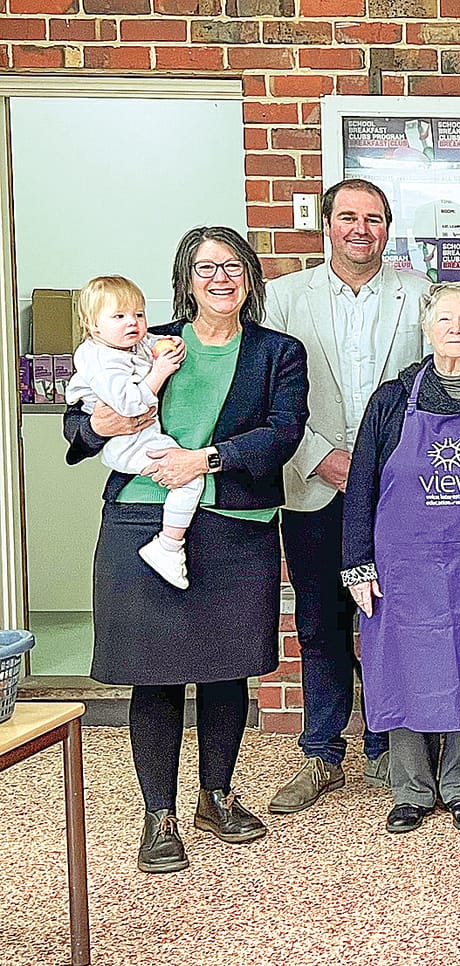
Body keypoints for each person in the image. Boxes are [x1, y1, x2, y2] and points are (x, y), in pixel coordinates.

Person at [64, 226, 306, 873]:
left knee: (227, 668)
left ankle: (217, 797)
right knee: (155, 671)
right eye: (206, 268)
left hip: (233, 518)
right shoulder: (149, 341)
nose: (220, 278)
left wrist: (205, 458)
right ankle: (158, 816)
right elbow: (79, 420)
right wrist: (101, 425)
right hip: (143, 519)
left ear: (250, 278)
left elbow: (282, 433)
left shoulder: (278, 352)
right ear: (186, 278)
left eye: (232, 266)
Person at [263, 178, 431, 814]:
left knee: (390, 618)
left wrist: (392, 465)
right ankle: (320, 752)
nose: (362, 229)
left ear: (389, 228)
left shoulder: (419, 296)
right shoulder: (281, 298)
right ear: (325, 224)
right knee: (322, 621)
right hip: (316, 481)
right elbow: (268, 393)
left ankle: (388, 745)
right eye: (349, 217)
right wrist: (320, 457)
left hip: (401, 491)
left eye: (376, 219)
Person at [342, 282, 460, 835]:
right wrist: (357, 563)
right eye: (445, 318)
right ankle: (411, 789)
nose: (456, 328)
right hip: (403, 569)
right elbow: (362, 488)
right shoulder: (391, 401)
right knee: (402, 670)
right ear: (426, 329)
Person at [64, 276, 196, 588]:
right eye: (119, 316)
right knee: (190, 478)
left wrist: (168, 344)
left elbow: (150, 341)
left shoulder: (127, 342)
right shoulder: (100, 358)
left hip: (140, 434)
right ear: (92, 325)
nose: (132, 323)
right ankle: (168, 547)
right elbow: (129, 403)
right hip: (127, 441)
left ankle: (169, 545)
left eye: (139, 314)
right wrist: (161, 371)